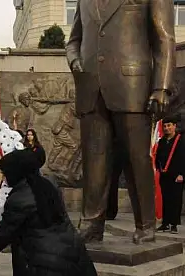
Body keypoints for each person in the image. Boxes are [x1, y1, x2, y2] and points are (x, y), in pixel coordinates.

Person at [66, 0, 175, 243]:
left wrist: (162, 87)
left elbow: (164, 38)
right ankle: (92, 223)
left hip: (132, 86)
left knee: (136, 159)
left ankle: (146, 224)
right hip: (91, 89)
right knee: (94, 160)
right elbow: (74, 40)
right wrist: (75, 61)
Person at [155, 116, 185, 234]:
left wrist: (182, 174)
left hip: (177, 176)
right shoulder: (162, 141)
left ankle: (174, 224)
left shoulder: (182, 141)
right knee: (165, 199)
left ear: (174, 126)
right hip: (164, 175)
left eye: (169, 125)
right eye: (164, 126)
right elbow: (158, 156)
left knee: (175, 200)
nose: (166, 128)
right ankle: (165, 223)